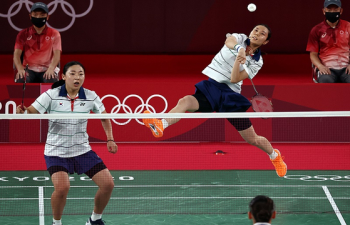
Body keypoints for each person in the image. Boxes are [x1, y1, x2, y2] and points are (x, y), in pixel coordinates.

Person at [143, 24, 287, 177]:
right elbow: (229, 41)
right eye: (255, 30)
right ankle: (161, 125)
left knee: (253, 139)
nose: (257, 33)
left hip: (230, 96)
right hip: (211, 88)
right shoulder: (240, 38)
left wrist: (239, 61)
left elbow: (234, 78)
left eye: (262, 33)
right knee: (185, 101)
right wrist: (240, 50)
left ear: (265, 42)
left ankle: (274, 156)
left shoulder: (257, 62)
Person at [16, 61, 117, 225]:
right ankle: (57, 222)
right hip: (56, 152)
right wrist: (23, 111)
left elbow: (104, 116)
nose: (77, 77)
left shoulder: (90, 96)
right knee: (62, 188)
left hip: (82, 150)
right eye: (73, 73)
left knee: (108, 184)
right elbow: (31, 111)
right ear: (63, 76)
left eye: (81, 74)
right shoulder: (51, 95)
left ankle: (94, 219)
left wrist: (110, 138)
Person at [13, 2, 61, 83]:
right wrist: (20, 69)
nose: (38, 17)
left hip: (47, 69)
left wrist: (51, 69)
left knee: (51, 80)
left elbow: (57, 55)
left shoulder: (54, 34)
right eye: (35, 14)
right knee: (21, 79)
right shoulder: (22, 34)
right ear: (30, 16)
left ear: (47, 16)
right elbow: (16, 55)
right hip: (28, 69)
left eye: (42, 15)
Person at [306, 0, 350, 83]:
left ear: (341, 11)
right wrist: (320, 66)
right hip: (327, 69)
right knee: (325, 82)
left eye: (335, 9)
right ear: (324, 11)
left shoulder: (348, 26)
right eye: (329, 10)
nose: (332, 12)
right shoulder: (316, 30)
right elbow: (313, 55)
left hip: (346, 69)